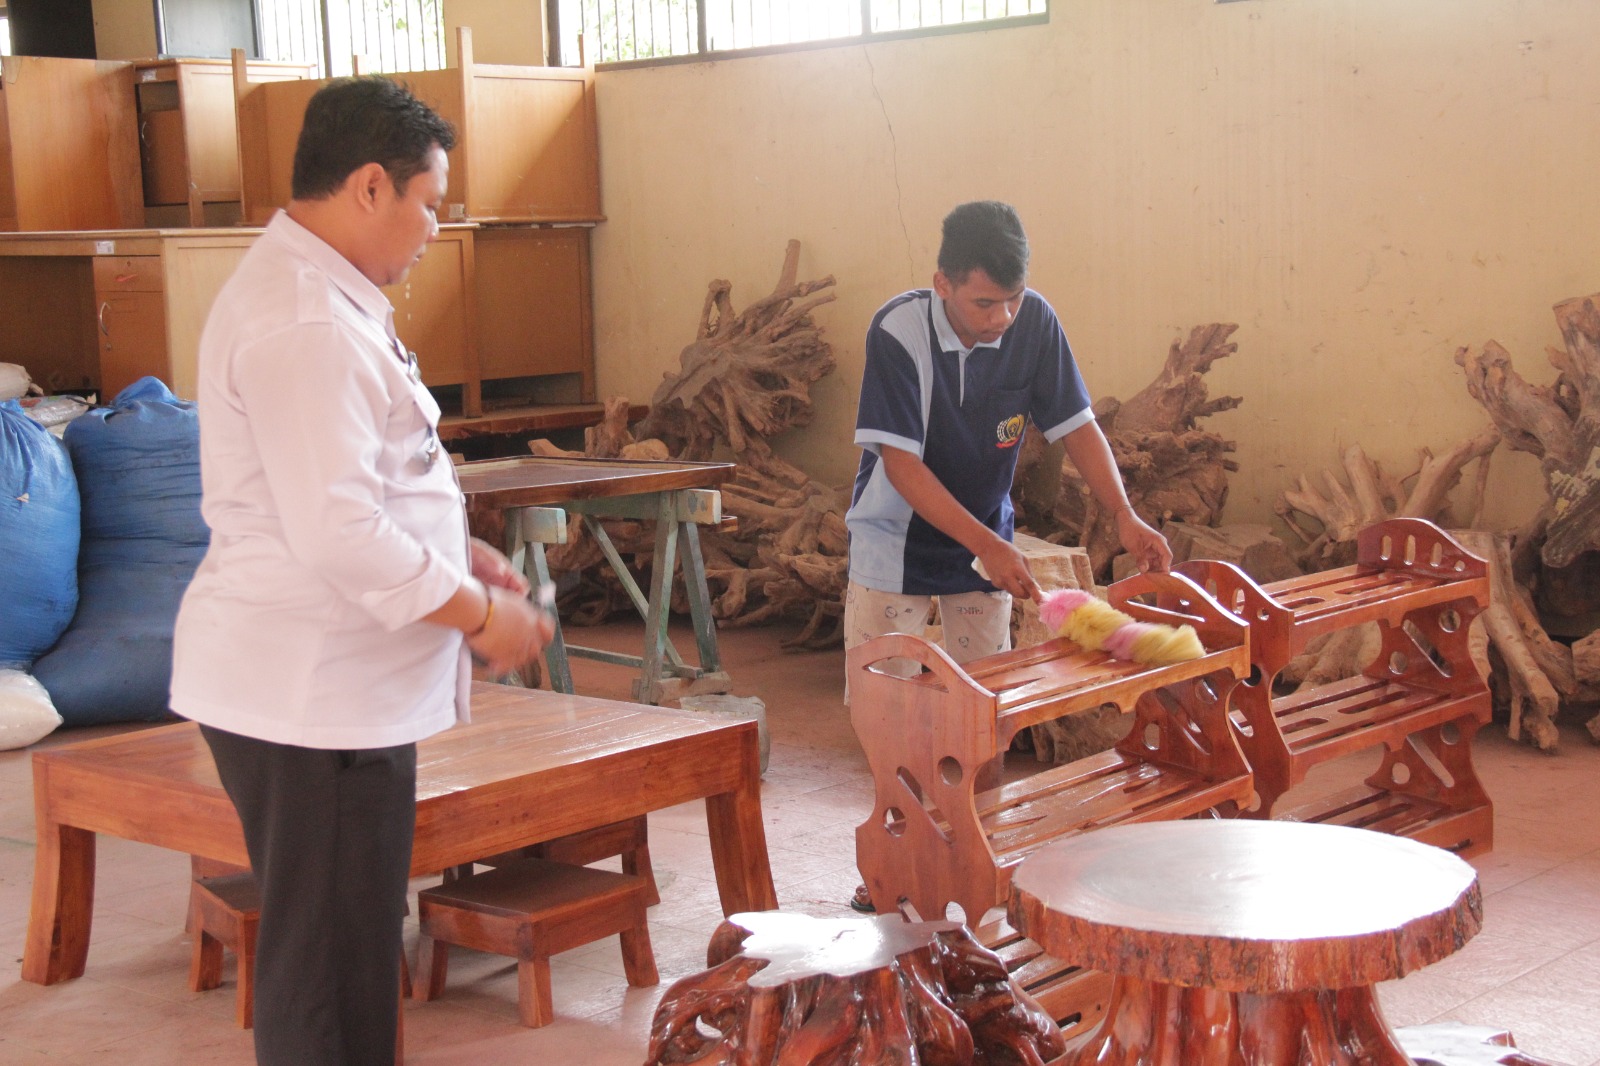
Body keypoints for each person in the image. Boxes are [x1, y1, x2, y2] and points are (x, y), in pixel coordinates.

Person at [170, 78, 552, 1066]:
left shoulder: (329, 296)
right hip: (312, 691)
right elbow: (336, 529)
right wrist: (475, 616)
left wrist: (449, 550)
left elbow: (355, 484)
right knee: (329, 971)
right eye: (430, 201)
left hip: (333, 686)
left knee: (344, 949)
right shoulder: (308, 319)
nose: (435, 226)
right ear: (370, 186)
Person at [845, 200, 1171, 678]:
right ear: (943, 284)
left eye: (1013, 297)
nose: (1003, 317)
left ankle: (978, 758)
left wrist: (1123, 514)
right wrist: (988, 547)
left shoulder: (1035, 321)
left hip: (985, 539)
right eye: (984, 303)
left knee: (987, 698)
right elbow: (902, 467)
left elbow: (1078, 427)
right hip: (896, 541)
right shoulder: (898, 331)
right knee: (889, 705)